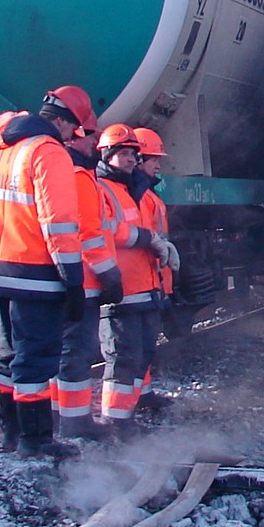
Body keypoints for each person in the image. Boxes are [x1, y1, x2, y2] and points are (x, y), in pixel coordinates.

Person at [0, 86, 116, 458]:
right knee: (37, 356)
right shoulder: (47, 152)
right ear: (65, 122)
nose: (74, 138)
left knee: (7, 355)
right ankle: (36, 442)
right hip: (32, 270)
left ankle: (12, 434)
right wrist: (72, 281)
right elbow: (60, 225)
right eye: (76, 130)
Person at [47, 86, 118, 441]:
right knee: (76, 353)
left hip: (72, 280)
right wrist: (110, 275)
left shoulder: (72, 174)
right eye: (90, 135)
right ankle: (75, 424)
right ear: (75, 135)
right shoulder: (78, 178)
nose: (95, 143)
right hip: (83, 282)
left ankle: (64, 420)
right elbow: (89, 234)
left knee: (67, 353)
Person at [91, 123, 169, 434]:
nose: (129, 160)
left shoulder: (133, 191)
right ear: (107, 155)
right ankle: (117, 422)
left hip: (145, 288)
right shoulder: (103, 189)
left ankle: (130, 413)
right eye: (122, 153)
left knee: (141, 354)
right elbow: (104, 228)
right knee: (122, 358)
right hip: (119, 290)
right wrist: (147, 238)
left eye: (132, 154)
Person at [131, 127, 179, 409]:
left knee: (146, 345)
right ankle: (126, 408)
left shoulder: (148, 196)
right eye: (152, 159)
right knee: (134, 347)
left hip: (154, 282)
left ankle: (143, 393)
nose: (158, 165)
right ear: (138, 160)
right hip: (142, 282)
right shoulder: (139, 198)